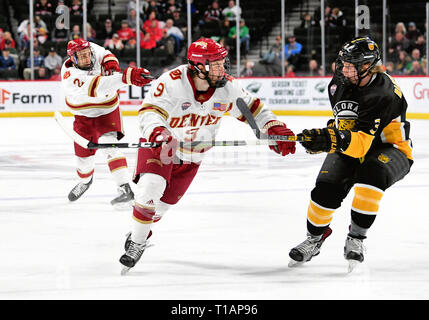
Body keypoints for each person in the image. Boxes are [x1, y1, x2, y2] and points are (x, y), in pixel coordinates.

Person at [119, 38, 297, 273]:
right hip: (162, 146)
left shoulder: (228, 87)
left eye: (223, 63)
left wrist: (272, 127)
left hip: (193, 156)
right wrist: (159, 132)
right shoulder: (172, 82)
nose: (222, 69)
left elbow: (255, 110)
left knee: (161, 207)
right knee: (151, 187)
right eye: (215, 65)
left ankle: (141, 225)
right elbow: (149, 112)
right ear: (198, 67)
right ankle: (137, 243)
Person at [288, 37, 413, 272]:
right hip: (356, 142)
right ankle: (314, 239)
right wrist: (325, 137)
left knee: (371, 176)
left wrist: (331, 140)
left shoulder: (383, 93)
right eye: (343, 63)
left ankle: (356, 238)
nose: (343, 69)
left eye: (350, 65)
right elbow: (345, 125)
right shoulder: (337, 84)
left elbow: (362, 146)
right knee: (325, 189)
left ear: (367, 66)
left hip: (391, 148)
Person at [60, 38, 153, 208]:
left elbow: (105, 53)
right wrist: (126, 77)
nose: (87, 59)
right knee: (83, 160)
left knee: (110, 147)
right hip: (83, 117)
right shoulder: (69, 76)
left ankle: (125, 188)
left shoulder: (91, 50)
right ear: (72, 59)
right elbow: (99, 85)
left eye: (88, 54)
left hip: (107, 112)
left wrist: (111, 62)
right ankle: (86, 181)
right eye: (81, 57)